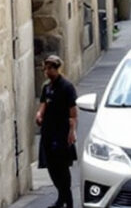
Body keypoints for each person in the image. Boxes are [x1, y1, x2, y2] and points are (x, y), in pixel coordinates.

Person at [36, 53, 78, 208]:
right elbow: (43, 104)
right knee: (52, 167)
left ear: (56, 69)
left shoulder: (67, 87)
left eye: (49, 69)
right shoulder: (47, 87)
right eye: (45, 69)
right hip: (48, 131)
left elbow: (73, 112)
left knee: (62, 167)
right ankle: (61, 197)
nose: (46, 72)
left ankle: (69, 200)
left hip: (62, 132)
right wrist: (39, 114)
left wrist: (72, 131)